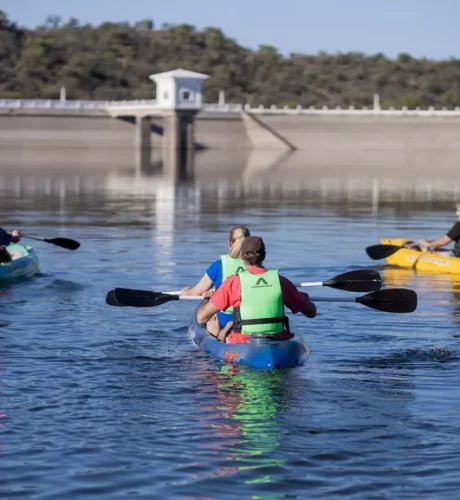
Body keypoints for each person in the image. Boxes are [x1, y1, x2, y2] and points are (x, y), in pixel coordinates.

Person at [196, 236, 316, 343]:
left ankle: (218, 334)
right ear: (264, 255)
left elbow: (202, 317)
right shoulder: (280, 281)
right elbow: (311, 313)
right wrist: (306, 300)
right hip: (277, 341)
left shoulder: (233, 282)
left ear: (242, 256)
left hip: (243, 343)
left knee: (226, 328)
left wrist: (207, 298)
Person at [181, 225, 250, 334]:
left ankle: (218, 333)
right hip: (249, 319)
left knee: (205, 302)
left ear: (229, 244)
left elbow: (194, 292)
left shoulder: (219, 266)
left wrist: (185, 291)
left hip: (222, 319)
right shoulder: (256, 266)